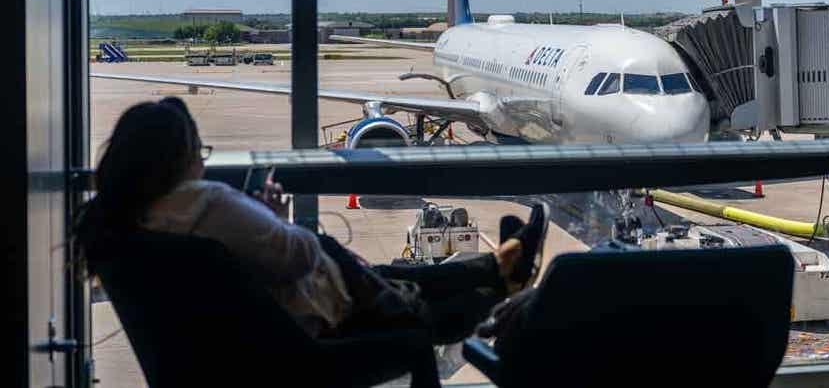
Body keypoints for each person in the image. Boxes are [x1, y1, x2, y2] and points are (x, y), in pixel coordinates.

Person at [75, 97, 548, 349]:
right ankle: (498, 283)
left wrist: (266, 225)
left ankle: (498, 269)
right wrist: (271, 217)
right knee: (390, 288)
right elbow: (299, 257)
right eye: (199, 153)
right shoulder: (203, 202)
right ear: (179, 159)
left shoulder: (121, 222)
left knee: (392, 277)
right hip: (309, 330)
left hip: (254, 338)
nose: (202, 163)